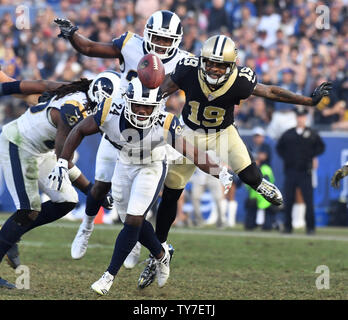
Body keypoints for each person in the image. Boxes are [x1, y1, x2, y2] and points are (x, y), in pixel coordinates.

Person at [138, 34, 332, 288]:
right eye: (210, 63)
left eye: (220, 65)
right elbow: (162, 90)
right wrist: (145, 103)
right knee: (171, 195)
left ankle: (261, 185)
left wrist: (308, 101)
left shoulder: (240, 80)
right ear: (202, 60)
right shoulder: (188, 70)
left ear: (231, 66)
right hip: (187, 133)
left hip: (222, 132)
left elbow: (271, 91)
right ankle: (159, 251)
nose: (214, 68)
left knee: (250, 175)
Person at [47, 77, 234, 295]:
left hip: (151, 166)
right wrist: (62, 161)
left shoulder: (165, 123)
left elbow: (191, 152)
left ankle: (108, 277)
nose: (143, 111)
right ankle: (161, 254)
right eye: (138, 105)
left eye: (148, 107)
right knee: (130, 220)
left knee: (134, 220)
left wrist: (218, 171)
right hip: (124, 164)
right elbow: (78, 130)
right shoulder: (111, 110)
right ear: (127, 102)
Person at [54, 10, 191, 267]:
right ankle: (86, 226)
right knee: (100, 186)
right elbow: (91, 48)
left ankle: (136, 243)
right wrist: (72, 35)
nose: (160, 44)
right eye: (156, 38)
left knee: (140, 200)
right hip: (117, 121)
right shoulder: (130, 44)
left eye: (166, 40)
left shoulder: (185, 62)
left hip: (150, 134)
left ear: (176, 41)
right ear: (147, 35)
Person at [0, 71, 119, 289]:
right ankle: (7, 239)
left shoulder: (85, 93)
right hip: (18, 143)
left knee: (66, 201)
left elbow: (45, 83)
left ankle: (10, 236)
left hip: (40, 149)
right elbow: (62, 158)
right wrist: (91, 189)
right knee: (28, 210)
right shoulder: (74, 110)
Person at [276, 106, 325, 235]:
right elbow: (279, 148)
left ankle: (310, 227)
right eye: (298, 117)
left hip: (305, 172)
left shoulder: (312, 134)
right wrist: (287, 159)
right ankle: (288, 226)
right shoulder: (288, 134)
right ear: (296, 118)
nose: (300, 119)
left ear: (306, 118)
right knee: (289, 199)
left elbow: (321, 147)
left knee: (308, 200)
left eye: (303, 117)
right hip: (291, 171)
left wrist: (313, 157)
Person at [244, 127, 276, 231]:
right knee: (252, 200)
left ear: (263, 137)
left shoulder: (265, 146)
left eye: (259, 136)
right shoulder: (250, 146)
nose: (257, 138)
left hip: (264, 174)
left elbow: (262, 157)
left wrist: (254, 158)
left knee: (265, 199)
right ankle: (252, 222)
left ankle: (268, 223)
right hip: (253, 173)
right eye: (256, 136)